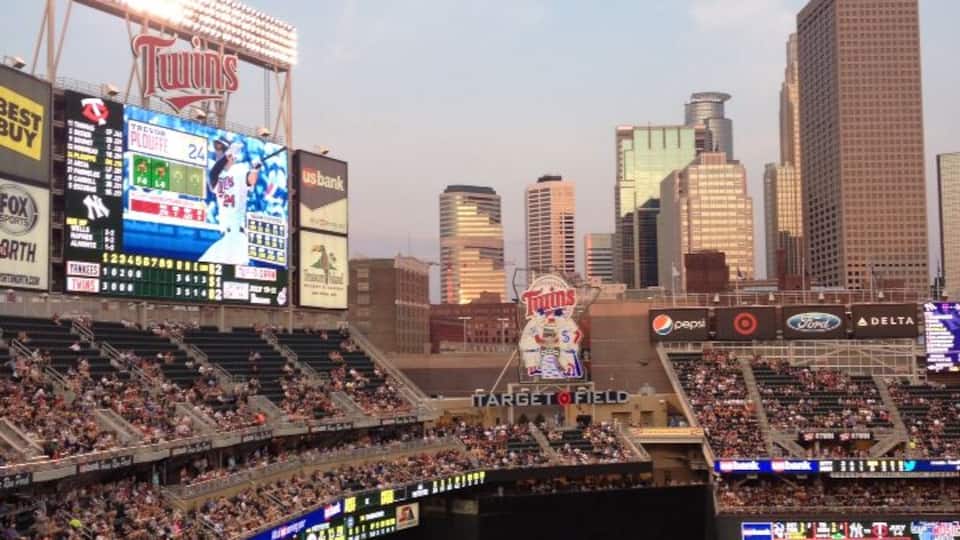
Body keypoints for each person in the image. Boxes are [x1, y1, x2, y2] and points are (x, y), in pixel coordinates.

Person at [200, 137, 261, 265]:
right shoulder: (217, 175)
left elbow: (250, 180)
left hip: (236, 236)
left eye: (222, 150)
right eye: (217, 150)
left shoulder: (239, 170)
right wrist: (228, 155)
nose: (218, 153)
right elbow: (213, 175)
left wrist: (255, 169)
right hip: (225, 238)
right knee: (202, 268)